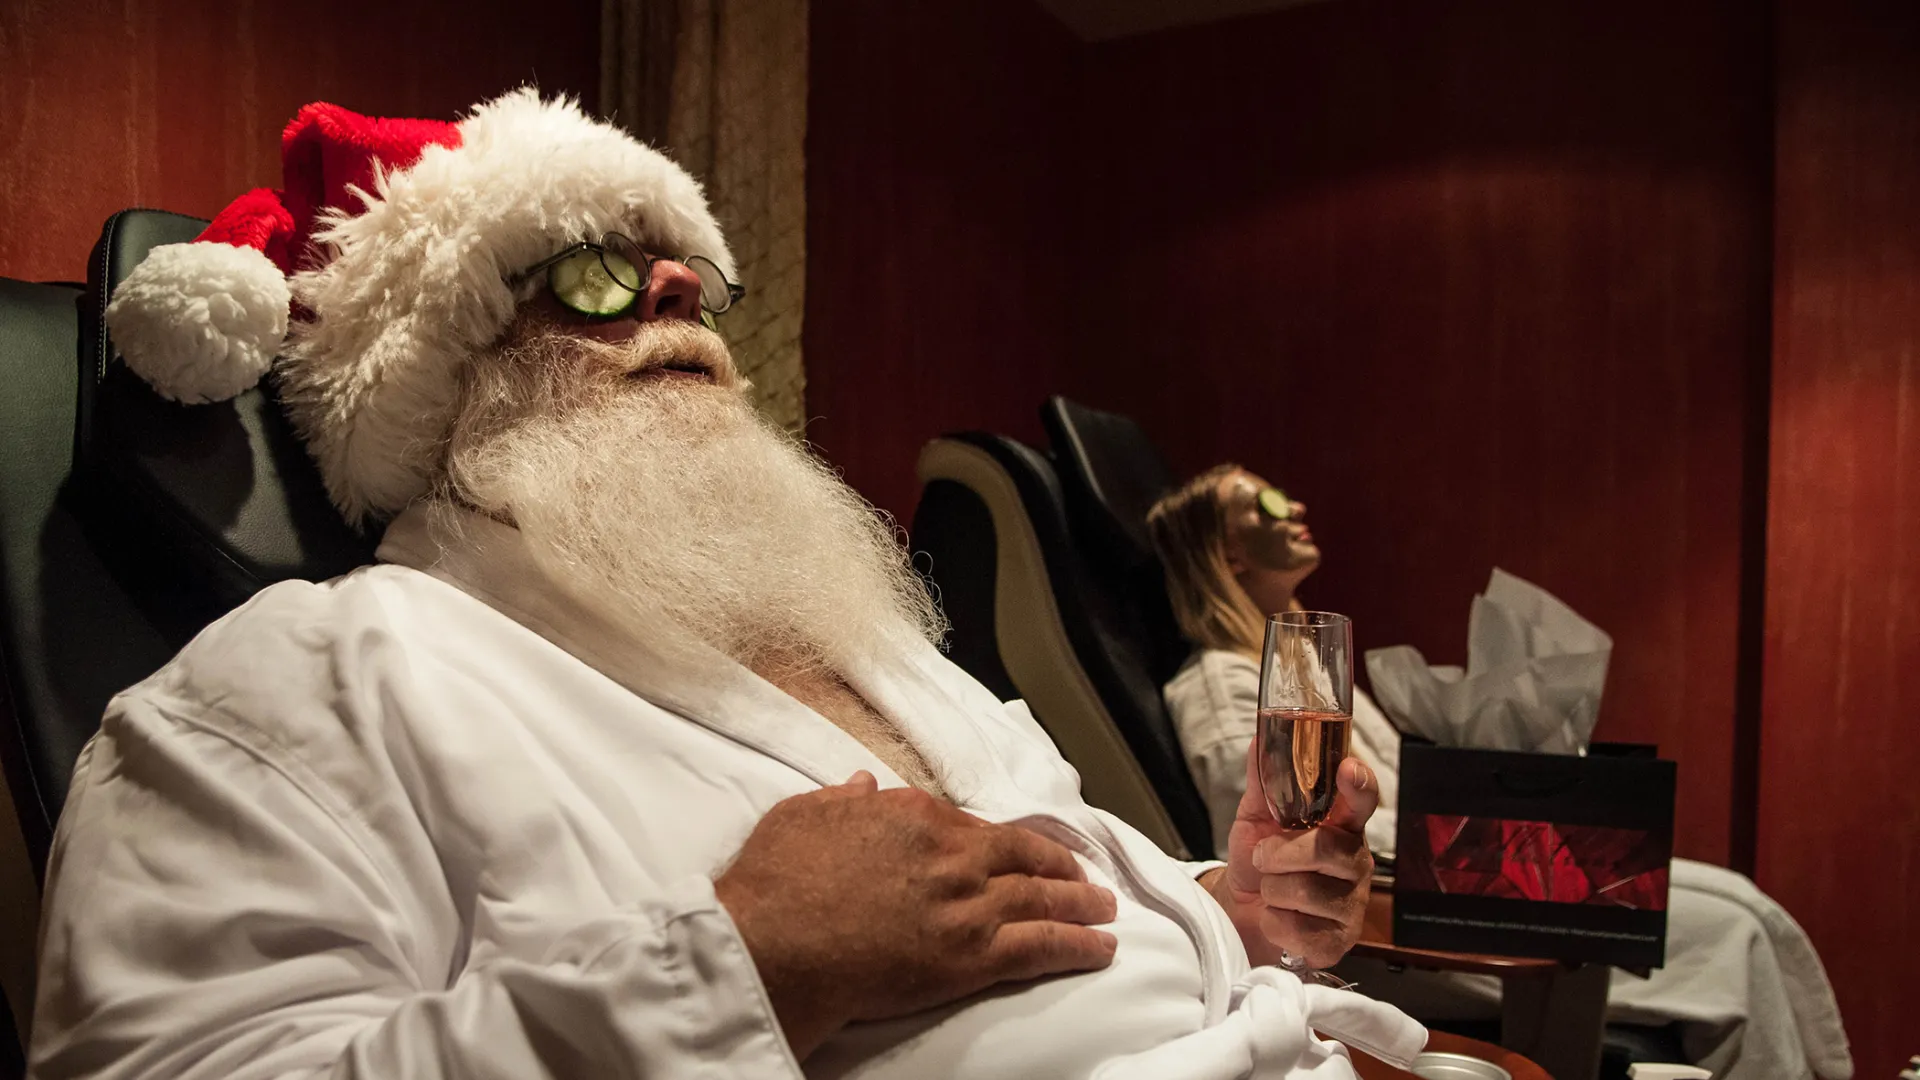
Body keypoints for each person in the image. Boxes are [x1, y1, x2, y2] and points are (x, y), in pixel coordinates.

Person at [26, 93, 1427, 1080]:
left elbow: (1039, 879)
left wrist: (1220, 904)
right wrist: (750, 962)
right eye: (589, 275)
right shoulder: (302, 679)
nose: (675, 299)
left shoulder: (856, 637)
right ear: (443, 371)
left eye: (687, 278)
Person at [1146, 464, 1854, 1080]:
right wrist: (1491, 835)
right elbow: (1266, 838)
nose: (1294, 507)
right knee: (1736, 937)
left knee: (1740, 899)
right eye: (1266, 504)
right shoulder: (1222, 685)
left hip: (1449, 868)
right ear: (1230, 552)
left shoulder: (1317, 673)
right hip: (1410, 915)